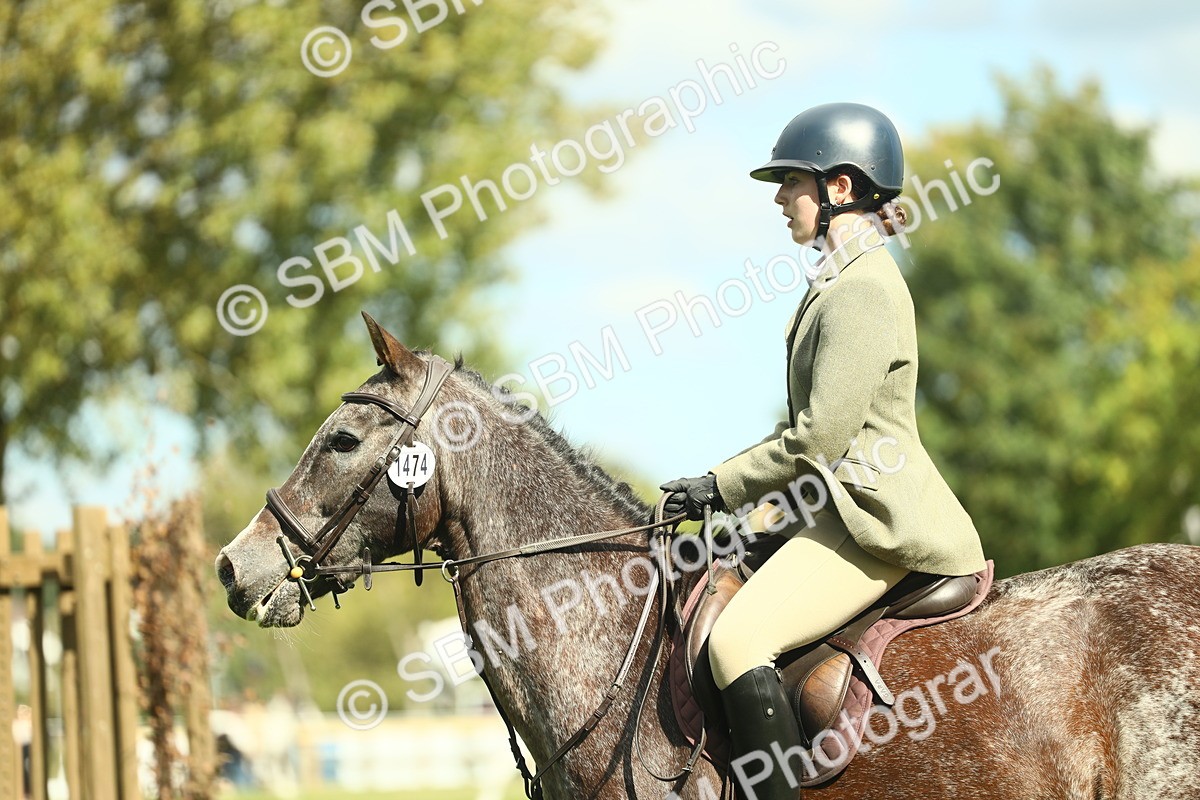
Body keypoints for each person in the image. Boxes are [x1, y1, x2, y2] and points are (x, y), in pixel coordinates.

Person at [660, 102, 986, 798]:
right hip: (832, 509)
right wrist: (751, 519)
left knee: (737, 643)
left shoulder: (862, 290)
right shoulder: (840, 281)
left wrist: (718, 485)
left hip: (874, 521)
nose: (780, 198)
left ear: (840, 188)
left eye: (791, 183)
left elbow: (818, 439)